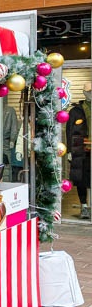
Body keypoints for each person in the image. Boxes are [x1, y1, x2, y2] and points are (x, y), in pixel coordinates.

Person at [66, 83, 92, 219]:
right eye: (88, 91)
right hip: (81, 149)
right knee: (81, 178)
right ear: (84, 92)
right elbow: (69, 131)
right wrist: (70, 150)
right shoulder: (75, 111)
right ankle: (84, 206)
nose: (90, 93)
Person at [2, 103, 19, 180]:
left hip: (3, 141)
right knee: (7, 165)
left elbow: (14, 126)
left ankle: (6, 180)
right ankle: (7, 180)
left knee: (5, 164)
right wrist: (12, 140)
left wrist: (12, 139)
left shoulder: (10, 110)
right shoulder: (11, 110)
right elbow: (14, 126)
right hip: (5, 141)